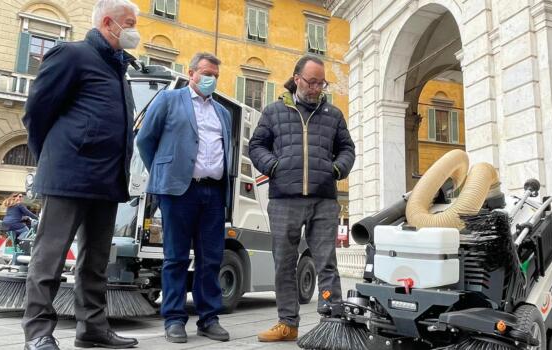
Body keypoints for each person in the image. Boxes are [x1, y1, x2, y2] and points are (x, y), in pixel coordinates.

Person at [21, 0, 140, 349]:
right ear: (108, 22)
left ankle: (92, 329)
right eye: (130, 23)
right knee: (50, 258)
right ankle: (38, 333)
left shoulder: (119, 68)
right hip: (69, 174)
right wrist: (53, 159)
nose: (134, 30)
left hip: (106, 178)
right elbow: (37, 112)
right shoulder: (71, 55)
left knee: (97, 261)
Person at [249, 55, 355, 342]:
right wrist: (273, 166)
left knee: (326, 261)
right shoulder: (273, 112)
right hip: (284, 198)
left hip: (324, 199)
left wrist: (336, 169)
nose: (316, 88)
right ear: (296, 78)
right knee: (284, 261)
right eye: (311, 82)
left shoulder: (333, 115)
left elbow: (347, 149)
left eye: (321, 83)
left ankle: (332, 321)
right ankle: (287, 323)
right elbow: (256, 145)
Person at [136, 52, 232, 344]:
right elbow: (144, 139)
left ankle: (208, 319)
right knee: (175, 258)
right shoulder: (169, 100)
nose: (210, 79)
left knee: (211, 259)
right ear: (191, 72)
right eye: (205, 73)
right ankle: (174, 319)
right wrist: (164, 173)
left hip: (214, 192)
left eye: (215, 74)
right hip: (179, 191)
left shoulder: (223, 112)